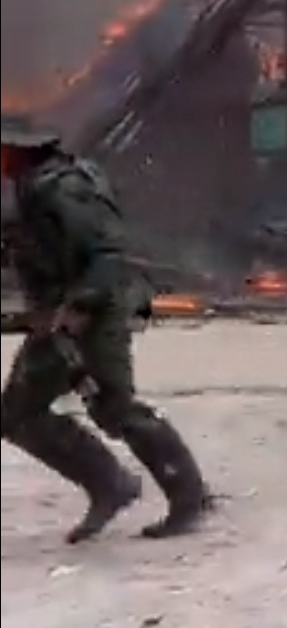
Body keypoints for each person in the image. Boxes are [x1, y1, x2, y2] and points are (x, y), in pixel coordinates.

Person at [0, 114, 212, 542]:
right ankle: (109, 485)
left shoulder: (65, 187)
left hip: (97, 310)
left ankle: (188, 497)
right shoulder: (30, 186)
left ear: (18, 149)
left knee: (113, 406)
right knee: (18, 413)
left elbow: (108, 254)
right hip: (59, 314)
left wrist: (80, 306)